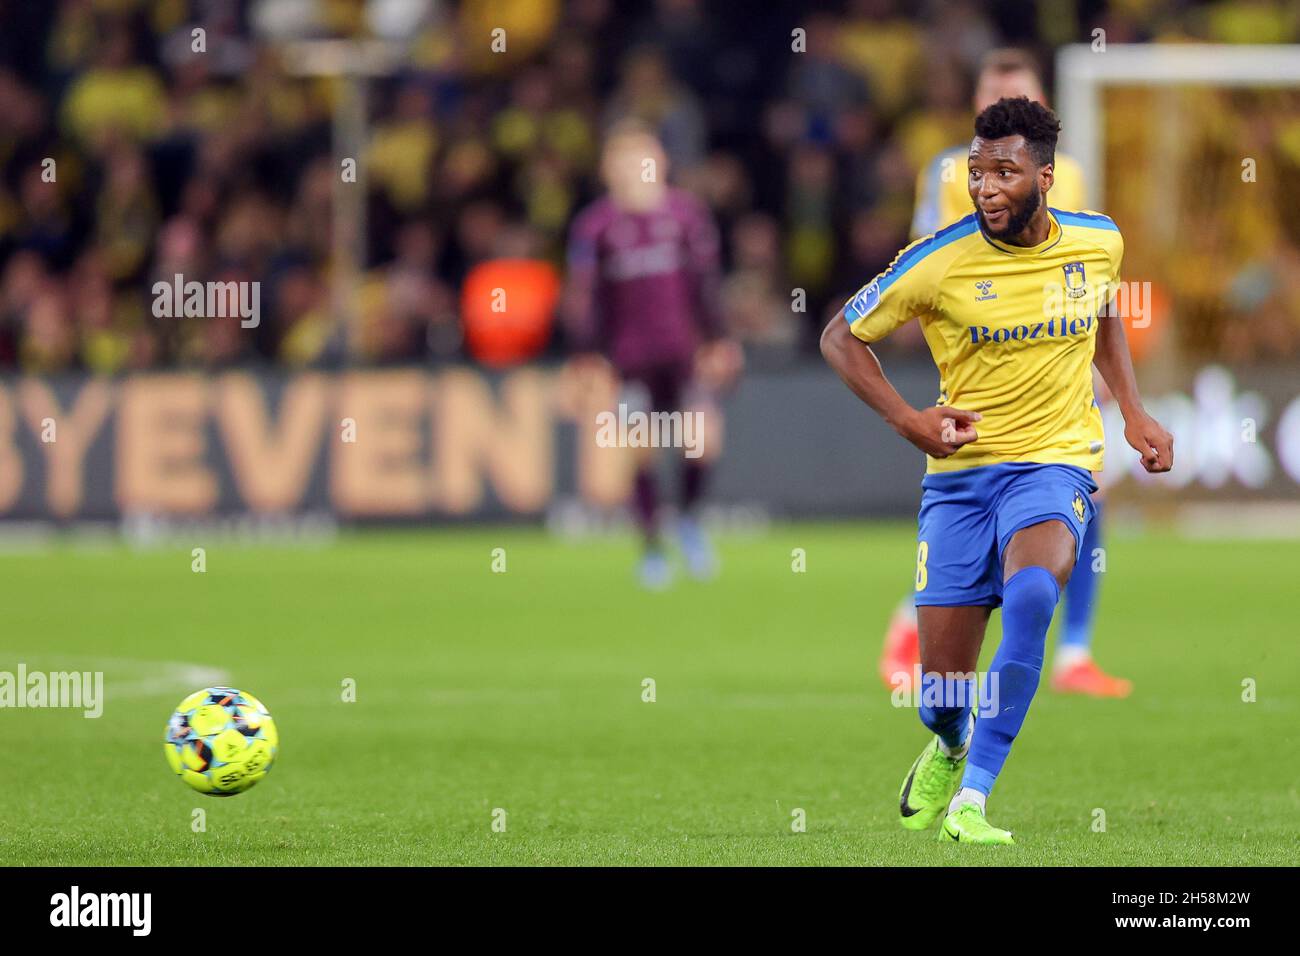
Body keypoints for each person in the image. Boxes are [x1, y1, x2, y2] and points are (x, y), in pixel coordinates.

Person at [821, 97, 1172, 843]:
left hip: (1054, 463)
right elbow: (840, 337)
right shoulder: (940, 260)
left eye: (1004, 173)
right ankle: (949, 744)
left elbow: (1102, 310)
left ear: (1046, 177)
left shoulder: (1097, 241)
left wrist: (1132, 413)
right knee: (941, 693)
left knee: (1035, 590)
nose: (985, 187)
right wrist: (910, 419)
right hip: (959, 482)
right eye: (977, 172)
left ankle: (974, 796)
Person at [881, 48, 1130, 699]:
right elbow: (934, 264)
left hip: (1056, 363)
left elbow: (1083, 270)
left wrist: (1113, 386)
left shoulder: (1069, 177)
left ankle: (1073, 651)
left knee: (1078, 496)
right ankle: (916, 624)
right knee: (976, 510)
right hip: (980, 356)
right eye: (994, 89)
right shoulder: (944, 174)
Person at [563, 119, 742, 588]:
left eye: (642, 158)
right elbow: (586, 298)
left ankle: (687, 521)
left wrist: (719, 339)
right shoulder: (596, 226)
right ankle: (652, 549)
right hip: (630, 357)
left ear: (660, 163)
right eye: (623, 160)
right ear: (608, 169)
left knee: (702, 438)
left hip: (685, 352)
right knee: (640, 451)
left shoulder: (686, 216)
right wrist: (586, 355)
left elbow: (706, 284)